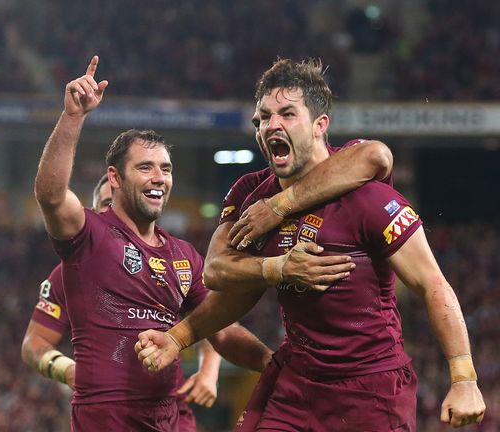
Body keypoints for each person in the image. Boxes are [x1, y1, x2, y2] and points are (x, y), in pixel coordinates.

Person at [136, 58, 486, 430]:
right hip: (297, 383)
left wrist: (464, 378)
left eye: (287, 114)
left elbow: (432, 283)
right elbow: (225, 278)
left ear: (320, 126)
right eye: (263, 118)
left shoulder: (366, 197)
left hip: (371, 387)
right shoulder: (249, 194)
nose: (272, 125)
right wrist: (179, 337)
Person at [34, 55, 272, 431]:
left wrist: (272, 364)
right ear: (114, 177)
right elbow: (50, 195)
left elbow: (221, 328)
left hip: (171, 418)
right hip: (109, 418)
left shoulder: (184, 255)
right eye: (145, 167)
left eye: (166, 168)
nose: (158, 177)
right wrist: (73, 117)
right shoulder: (89, 235)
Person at [22, 174, 222, 431]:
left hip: (171, 412)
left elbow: (212, 316)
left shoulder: (172, 260)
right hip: (108, 415)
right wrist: (66, 369)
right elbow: (34, 343)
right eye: (107, 204)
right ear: (94, 215)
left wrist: (209, 369)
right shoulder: (67, 275)